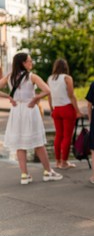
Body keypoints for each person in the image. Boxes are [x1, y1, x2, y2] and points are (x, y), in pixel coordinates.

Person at [0, 53, 63, 184]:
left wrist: (8, 96)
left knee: (19, 144)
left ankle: (24, 175)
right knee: (38, 142)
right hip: (29, 109)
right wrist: (36, 98)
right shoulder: (32, 76)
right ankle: (48, 172)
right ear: (23, 63)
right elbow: (47, 90)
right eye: (29, 61)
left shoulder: (10, 76)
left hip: (17, 110)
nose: (31, 63)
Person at [48, 59, 83, 169]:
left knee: (58, 135)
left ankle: (57, 161)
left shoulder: (50, 78)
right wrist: (77, 111)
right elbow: (71, 95)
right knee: (67, 136)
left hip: (56, 109)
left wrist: (51, 109)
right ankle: (64, 162)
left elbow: (49, 95)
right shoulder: (67, 78)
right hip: (67, 108)